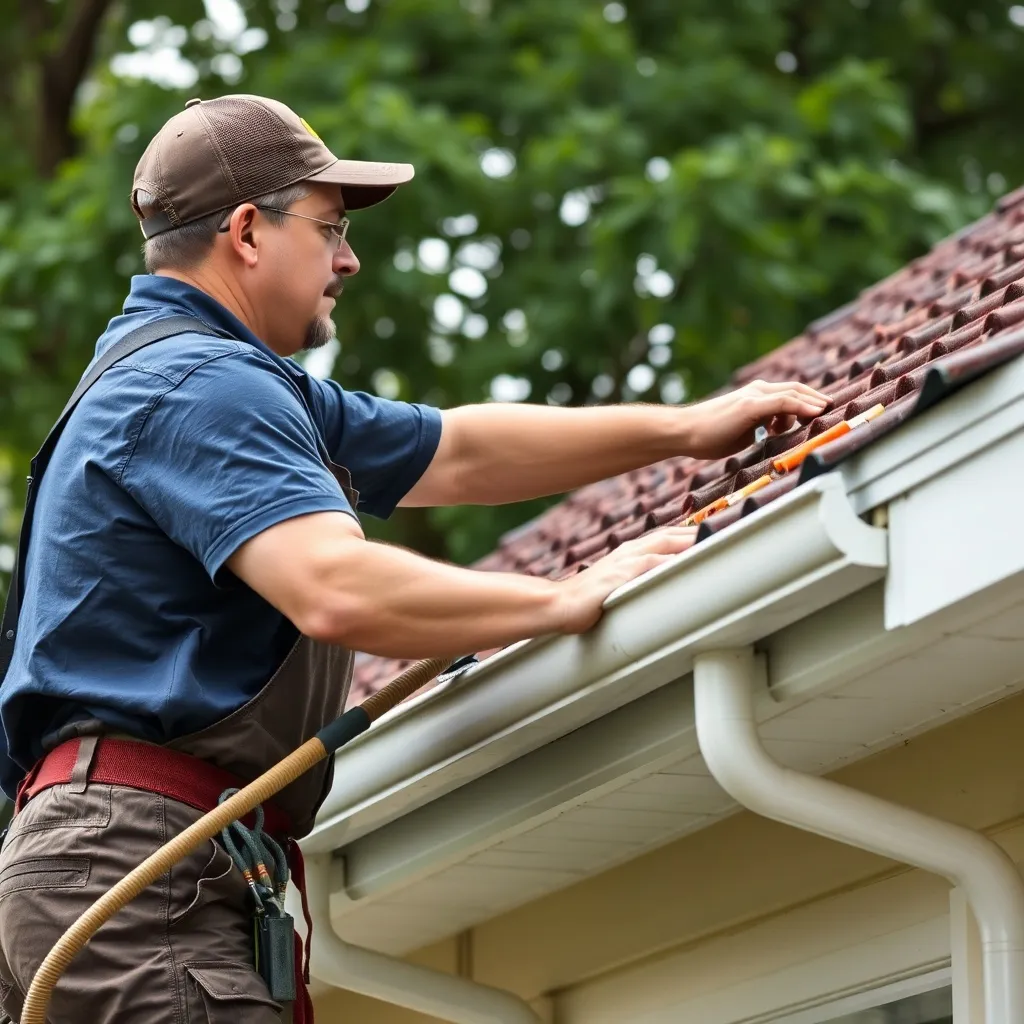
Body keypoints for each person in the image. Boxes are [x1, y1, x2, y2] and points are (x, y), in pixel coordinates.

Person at [0, 94, 828, 1023]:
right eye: (330, 226)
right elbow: (331, 584)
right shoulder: (201, 385)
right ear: (245, 232)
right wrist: (564, 599)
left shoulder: (212, 380)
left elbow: (462, 452)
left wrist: (686, 429)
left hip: (130, 867)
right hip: (142, 874)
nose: (347, 258)